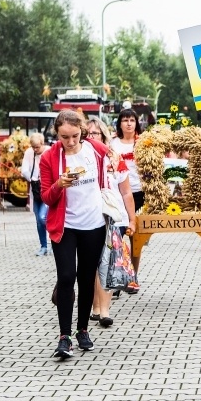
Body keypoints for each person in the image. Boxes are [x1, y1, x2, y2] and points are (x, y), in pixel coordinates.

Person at [40, 109, 111, 358]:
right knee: (67, 276)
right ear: (57, 134)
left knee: (86, 276)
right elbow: (46, 197)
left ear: (81, 131)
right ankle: (64, 336)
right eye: (64, 137)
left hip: (93, 224)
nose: (70, 142)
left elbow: (113, 169)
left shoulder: (95, 150)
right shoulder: (49, 157)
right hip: (65, 226)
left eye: (74, 136)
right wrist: (59, 184)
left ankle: (82, 330)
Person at [87, 116, 136, 328]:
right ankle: (95, 306)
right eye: (87, 134)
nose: (91, 137)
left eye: (95, 134)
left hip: (112, 218)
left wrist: (132, 220)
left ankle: (104, 310)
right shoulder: (77, 158)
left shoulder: (114, 159)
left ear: (104, 136)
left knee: (106, 262)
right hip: (87, 218)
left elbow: (126, 193)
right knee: (91, 264)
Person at [111, 108, 143, 290]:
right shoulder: (113, 143)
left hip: (140, 193)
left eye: (132, 120)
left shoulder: (143, 142)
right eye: (125, 120)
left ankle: (133, 276)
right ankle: (117, 277)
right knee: (118, 236)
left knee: (136, 239)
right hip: (118, 194)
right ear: (120, 123)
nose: (129, 123)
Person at [21, 133, 50, 256]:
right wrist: (33, 178)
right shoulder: (29, 152)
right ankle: (43, 246)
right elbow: (24, 170)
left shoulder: (49, 151)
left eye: (37, 147)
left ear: (42, 143)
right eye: (33, 147)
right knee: (38, 220)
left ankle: (54, 242)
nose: (35, 149)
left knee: (43, 217)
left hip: (48, 190)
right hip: (35, 189)